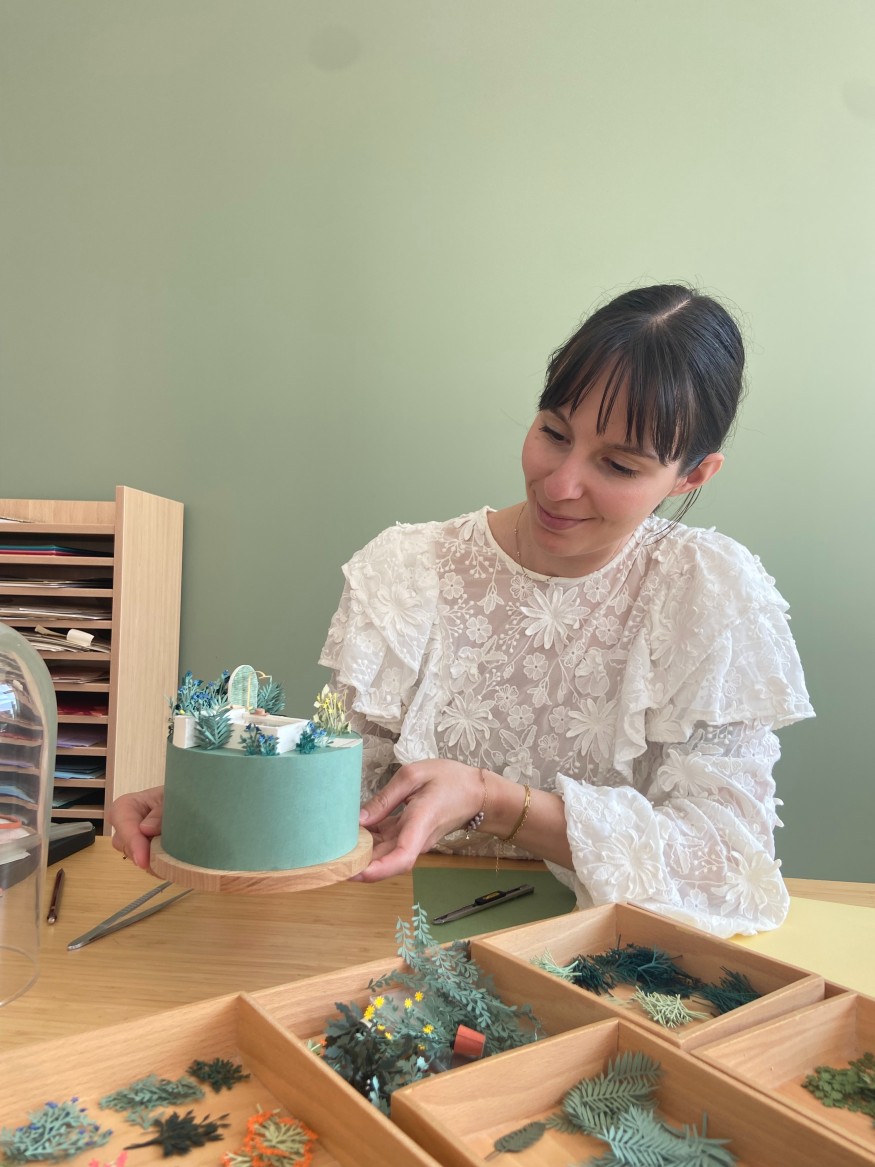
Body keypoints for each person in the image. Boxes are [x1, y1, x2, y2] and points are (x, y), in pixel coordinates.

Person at [111, 284, 813, 938]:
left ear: (692, 474)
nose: (560, 484)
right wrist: (223, 799)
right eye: (553, 432)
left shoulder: (711, 594)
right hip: (388, 927)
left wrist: (494, 800)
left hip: (607, 947)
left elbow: (726, 859)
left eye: (619, 466)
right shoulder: (408, 569)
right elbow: (356, 791)